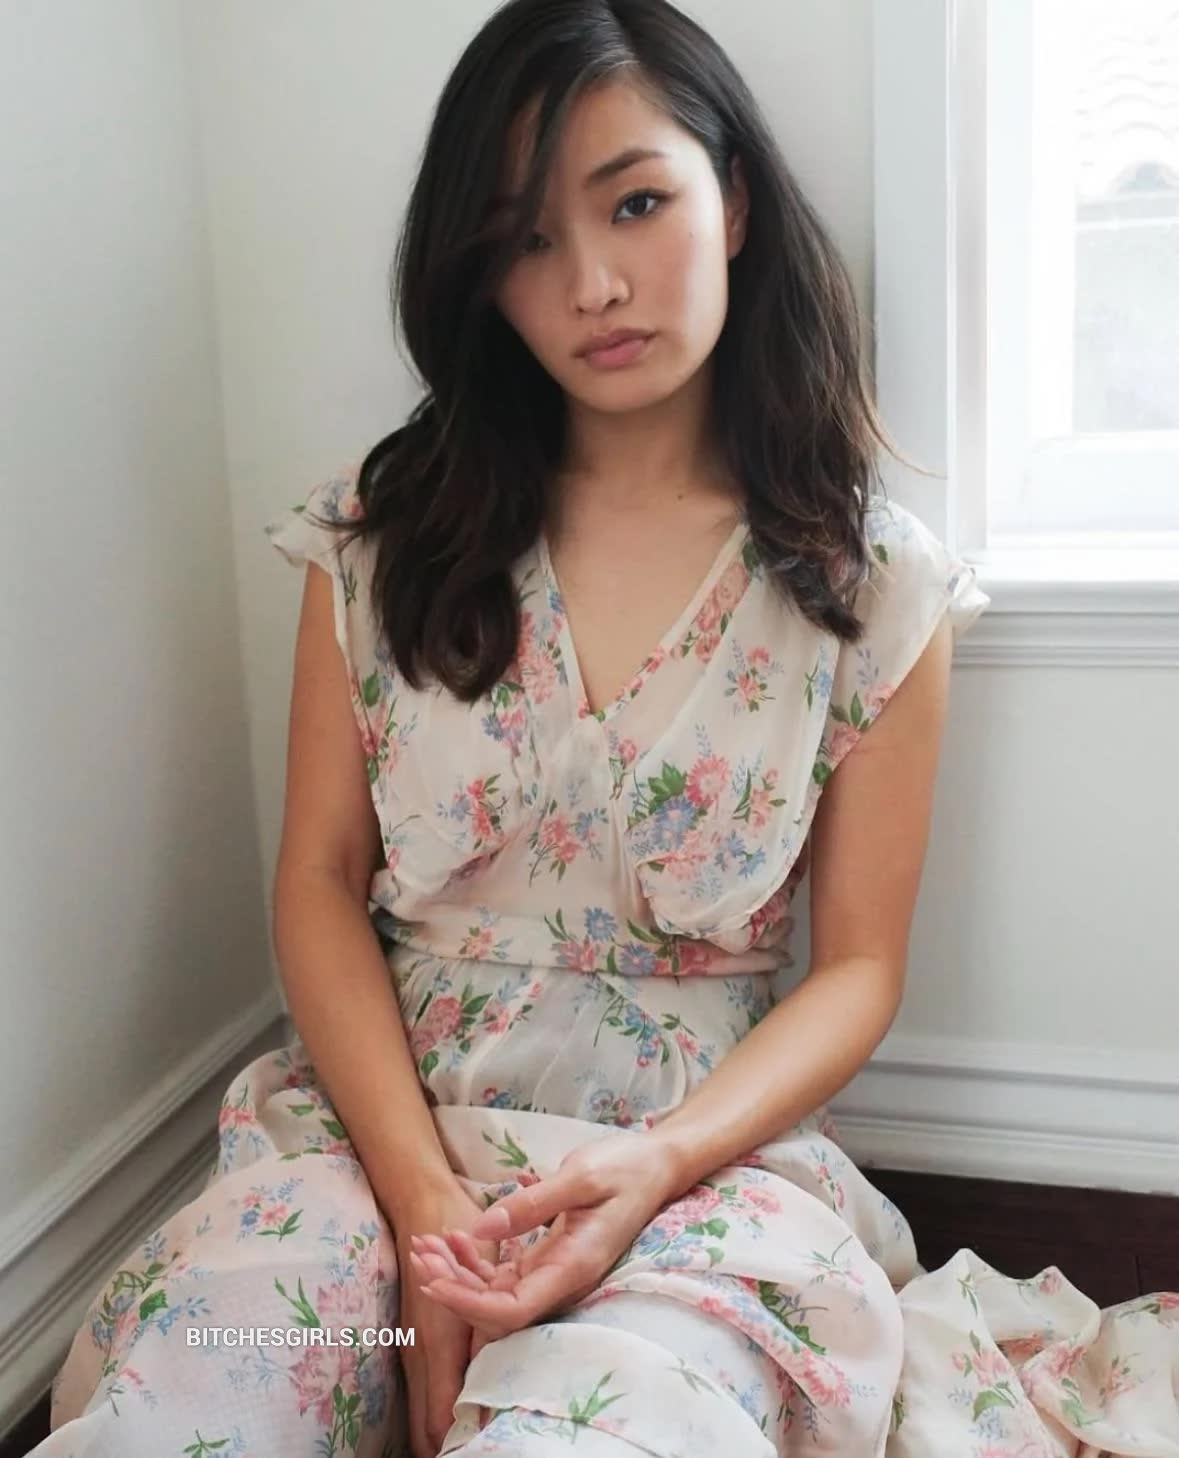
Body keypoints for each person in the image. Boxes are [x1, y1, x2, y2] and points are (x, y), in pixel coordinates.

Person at [32, 1, 1179, 1455]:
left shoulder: (871, 589)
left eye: (636, 202)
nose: (591, 284)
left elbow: (860, 966)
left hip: (691, 1173)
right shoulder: (383, 541)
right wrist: (420, 1205)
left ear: (734, 199)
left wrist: (654, 1166)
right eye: (524, 239)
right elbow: (318, 880)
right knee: (209, 1392)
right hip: (377, 1141)